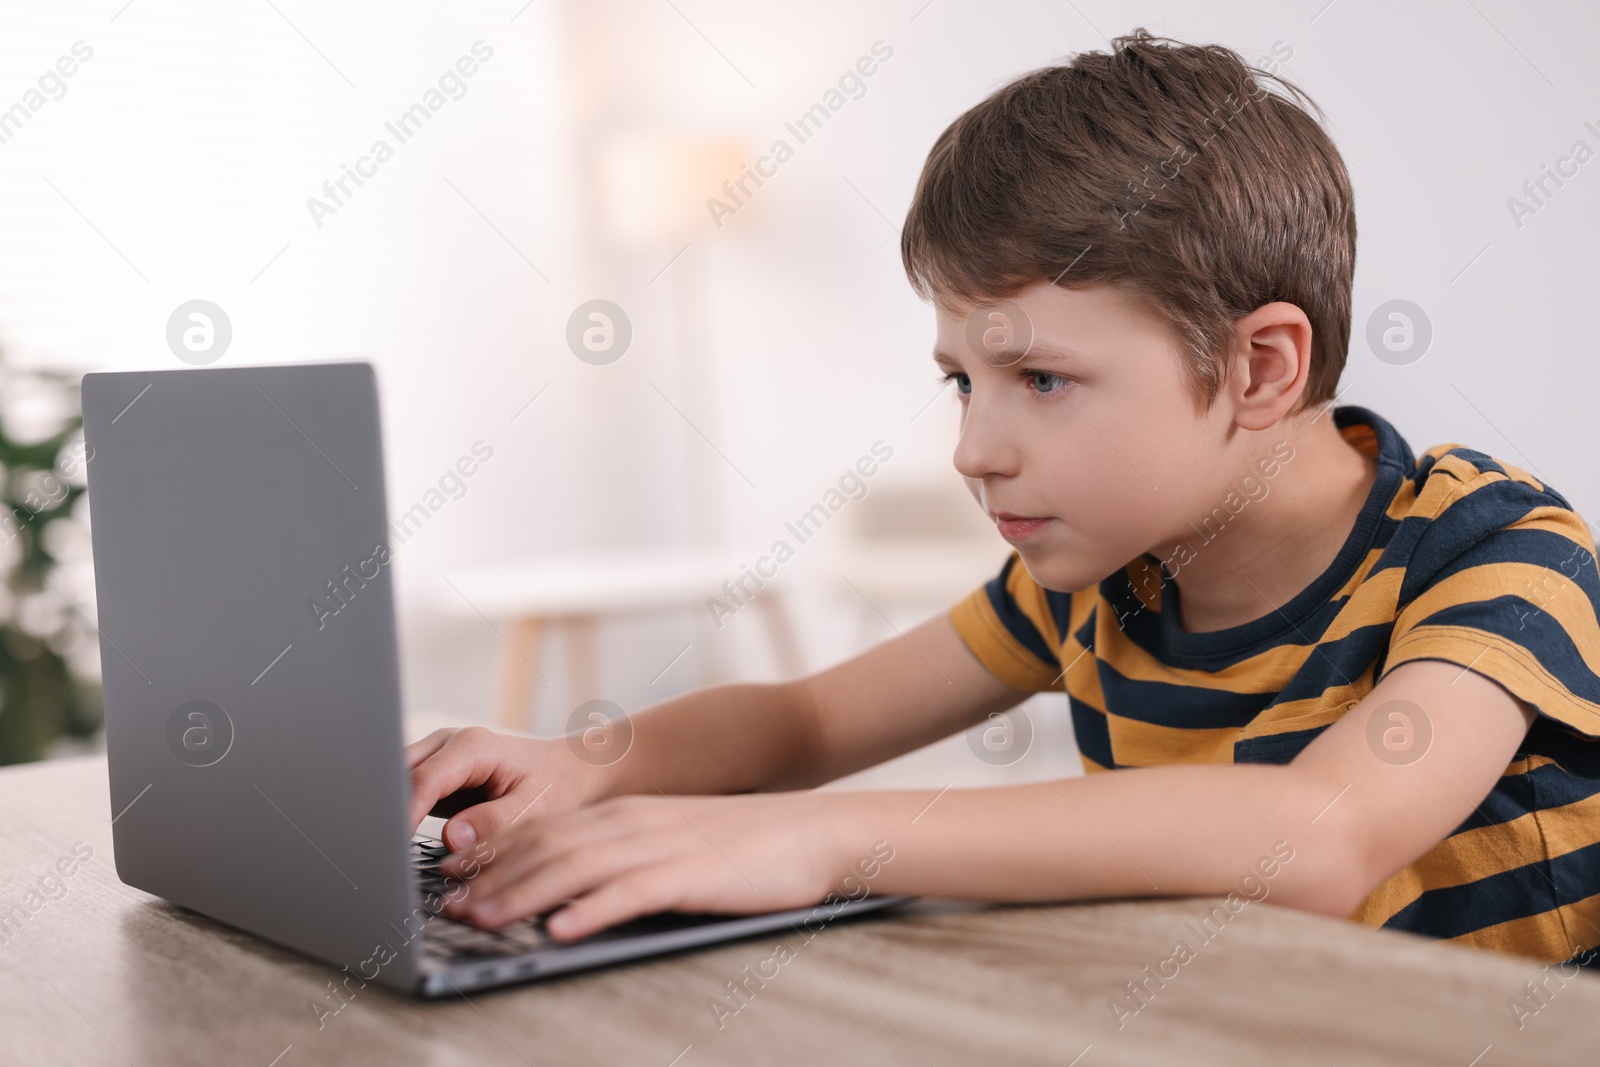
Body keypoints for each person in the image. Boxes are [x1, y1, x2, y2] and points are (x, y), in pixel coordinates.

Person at [408, 28, 1600, 966]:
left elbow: (1319, 836)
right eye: (960, 382)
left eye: (1042, 378)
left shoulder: (1495, 551)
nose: (974, 450)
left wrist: (819, 836)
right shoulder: (1101, 576)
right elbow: (812, 721)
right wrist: (582, 764)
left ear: (1259, 367)